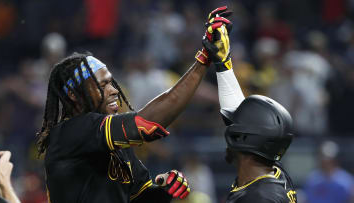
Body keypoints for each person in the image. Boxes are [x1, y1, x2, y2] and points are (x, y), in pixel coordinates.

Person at [36, 6, 233, 203]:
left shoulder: (116, 144)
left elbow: (140, 198)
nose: (113, 90)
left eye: (112, 83)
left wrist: (164, 189)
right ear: (73, 95)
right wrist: (203, 59)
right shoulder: (70, 134)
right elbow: (146, 122)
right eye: (102, 85)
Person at [201, 13, 298, 202]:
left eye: (236, 128)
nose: (230, 126)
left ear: (245, 139)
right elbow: (238, 112)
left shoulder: (259, 197)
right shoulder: (273, 174)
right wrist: (223, 62)